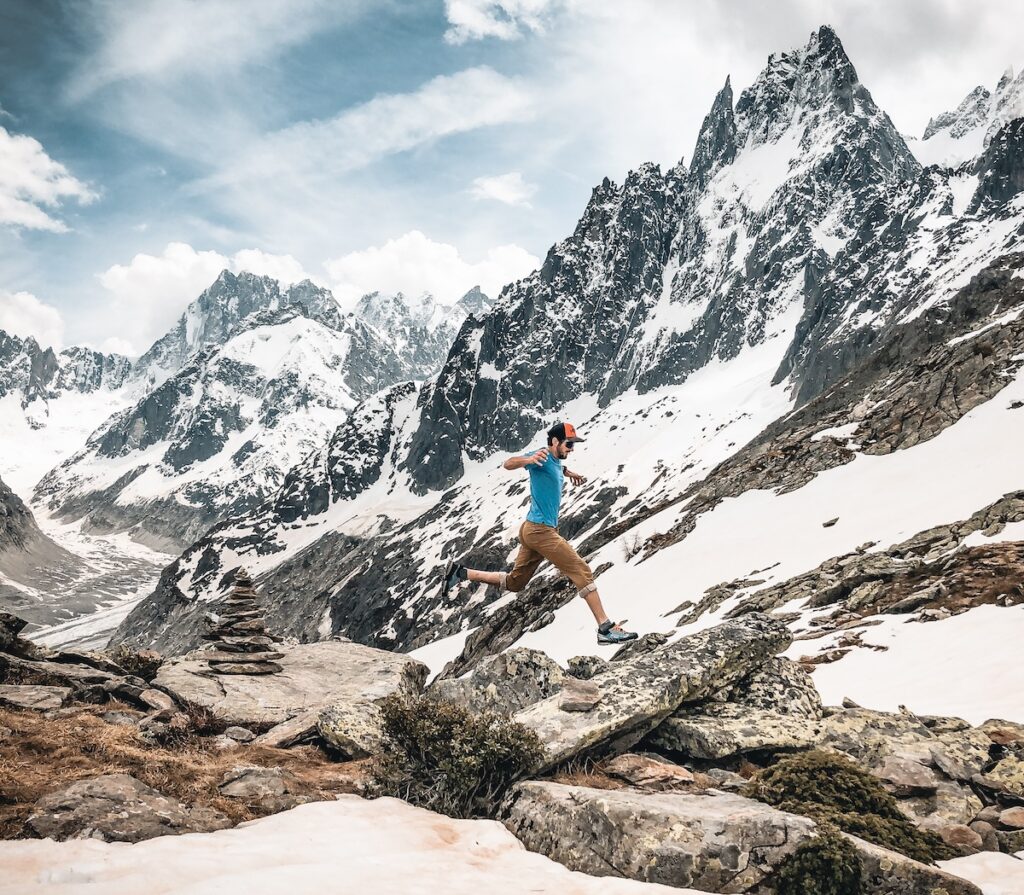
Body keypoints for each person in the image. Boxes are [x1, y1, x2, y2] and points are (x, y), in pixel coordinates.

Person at [441, 422, 638, 645]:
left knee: (516, 583)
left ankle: (461, 572)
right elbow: (508, 463)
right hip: (540, 531)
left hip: (531, 529)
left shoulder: (554, 460)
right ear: (555, 441)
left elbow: (557, 467)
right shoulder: (541, 456)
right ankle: (606, 628)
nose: (571, 449)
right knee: (582, 571)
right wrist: (528, 460)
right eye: (569, 444)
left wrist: (569, 473)